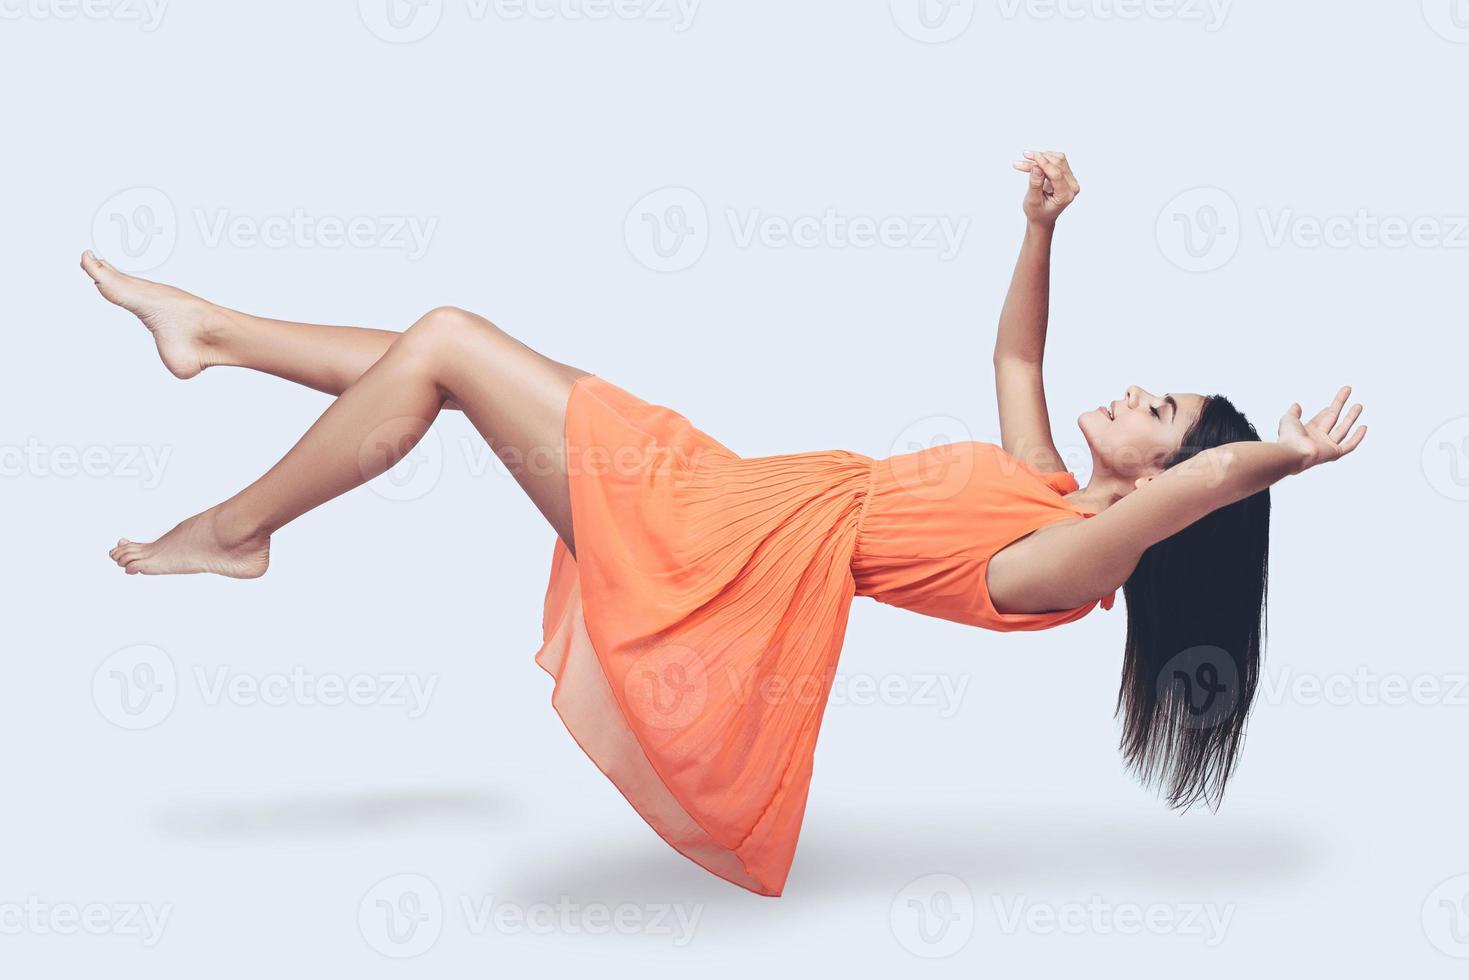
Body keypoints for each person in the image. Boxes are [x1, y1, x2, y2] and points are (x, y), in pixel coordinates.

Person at [85, 152, 1365, 896]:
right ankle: (214, 333)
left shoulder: (1068, 566)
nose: (1133, 390)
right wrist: (1038, 231)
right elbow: (1016, 361)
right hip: (728, 493)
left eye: (1158, 409)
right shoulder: (1042, 488)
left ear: (1161, 485)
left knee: (452, 340)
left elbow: (1199, 491)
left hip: (719, 553)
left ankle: (236, 524)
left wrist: (1273, 462)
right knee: (446, 363)